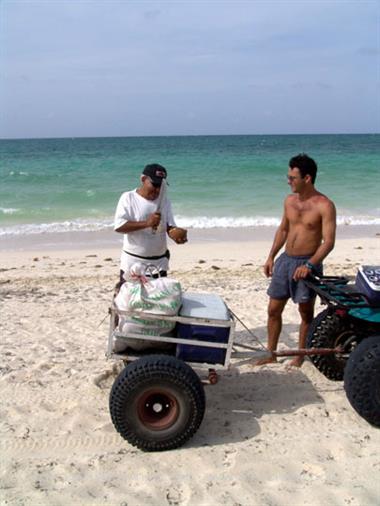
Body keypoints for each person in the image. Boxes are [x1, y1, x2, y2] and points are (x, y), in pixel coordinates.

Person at [257, 153, 336, 367]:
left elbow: (328, 242)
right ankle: (271, 353)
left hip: (308, 263)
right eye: (288, 177)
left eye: (293, 177)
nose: (288, 181)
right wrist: (271, 256)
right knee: (273, 309)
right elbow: (283, 229)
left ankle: (300, 355)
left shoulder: (324, 205)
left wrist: (310, 265)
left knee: (305, 312)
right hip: (285, 261)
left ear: (307, 178)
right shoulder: (289, 201)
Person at [114, 163, 187, 283]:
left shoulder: (165, 201)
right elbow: (119, 226)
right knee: (130, 300)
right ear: (143, 179)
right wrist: (147, 223)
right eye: (155, 184)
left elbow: (169, 225)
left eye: (161, 186)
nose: (158, 189)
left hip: (159, 264)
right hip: (133, 264)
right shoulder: (128, 198)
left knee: (159, 300)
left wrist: (175, 234)